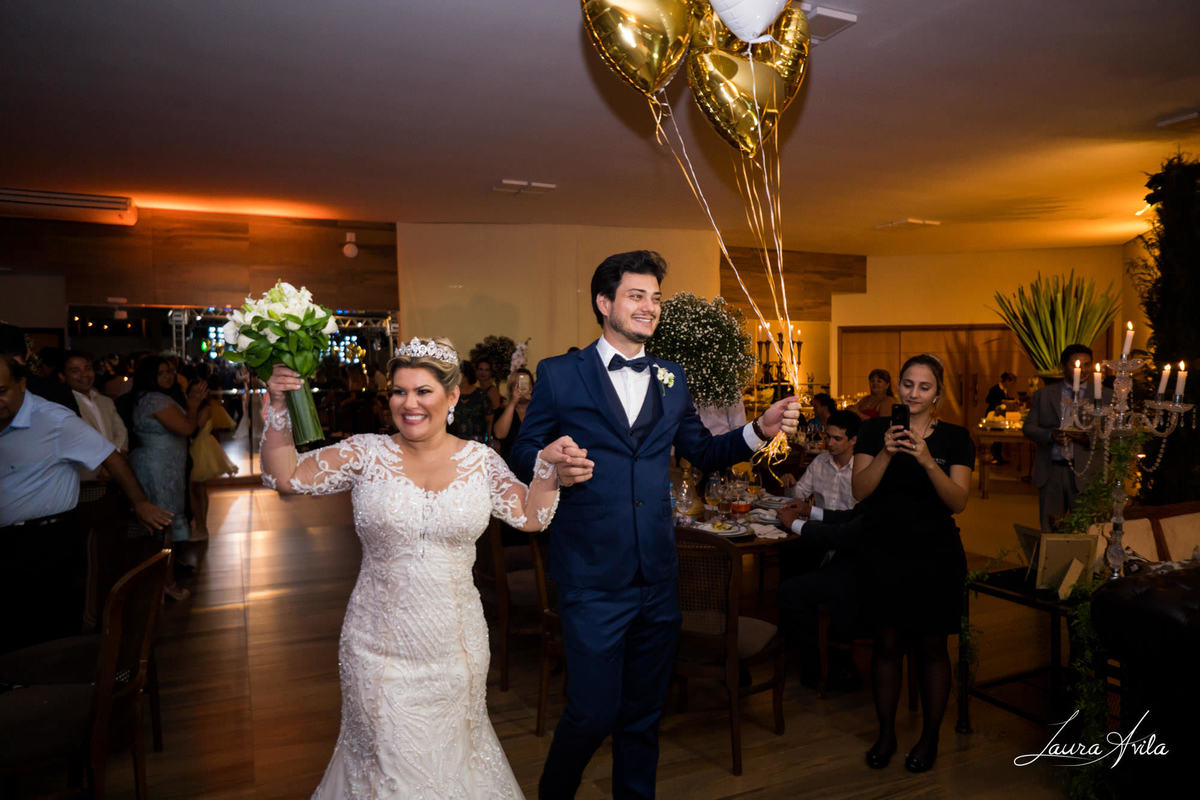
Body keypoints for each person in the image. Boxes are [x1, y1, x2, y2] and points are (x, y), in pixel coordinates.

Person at [511, 250, 800, 799]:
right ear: (604, 303)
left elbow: (703, 450)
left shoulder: (673, 376)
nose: (649, 307)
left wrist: (758, 431)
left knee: (644, 717)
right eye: (636, 296)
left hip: (658, 578)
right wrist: (548, 461)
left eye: (655, 298)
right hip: (591, 577)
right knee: (592, 713)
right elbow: (521, 449)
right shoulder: (560, 373)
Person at [262, 337, 576, 799]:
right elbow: (284, 477)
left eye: (423, 391)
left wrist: (547, 469)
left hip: (456, 648)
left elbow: (532, 517)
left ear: (452, 397)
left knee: (453, 761)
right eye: (399, 391)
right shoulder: (365, 453)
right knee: (386, 770)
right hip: (377, 646)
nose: (408, 403)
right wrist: (277, 404)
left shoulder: (481, 461)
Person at [851, 353, 974, 774]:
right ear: (898, 386)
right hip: (882, 551)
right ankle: (886, 734)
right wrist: (887, 454)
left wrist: (925, 459)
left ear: (937, 394)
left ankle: (930, 738)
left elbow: (958, 501)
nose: (914, 393)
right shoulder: (873, 431)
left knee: (932, 648)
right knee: (886, 645)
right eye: (908, 384)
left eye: (924, 387)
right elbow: (860, 491)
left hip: (935, 555)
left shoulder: (955, 438)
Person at [0, 353, 171, 653]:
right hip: (7, 541)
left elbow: (111, 456)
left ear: (22, 384)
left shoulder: (54, 419)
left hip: (47, 539)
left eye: (1, 391)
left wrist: (141, 503)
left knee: (48, 635)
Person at [775, 410, 862, 690]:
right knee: (790, 560)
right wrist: (790, 487)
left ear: (853, 440)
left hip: (848, 544)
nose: (829, 443)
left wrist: (804, 519)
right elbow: (798, 497)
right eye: (828, 437)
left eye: (837, 439)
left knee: (803, 585)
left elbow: (850, 523)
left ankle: (828, 656)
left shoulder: (863, 472)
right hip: (821, 536)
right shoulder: (820, 462)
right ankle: (798, 641)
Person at [124, 356, 209, 589]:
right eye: (161, 373)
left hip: (165, 464)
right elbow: (187, 428)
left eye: (170, 371)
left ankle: (164, 578)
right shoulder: (155, 400)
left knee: (164, 523)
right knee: (162, 523)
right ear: (149, 376)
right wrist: (193, 405)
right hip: (158, 467)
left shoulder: (153, 397)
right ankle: (164, 582)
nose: (168, 376)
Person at [1023, 345, 1106, 531]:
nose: (1083, 370)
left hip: (1086, 472)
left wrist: (1089, 438)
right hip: (1052, 471)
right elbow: (1028, 427)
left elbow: (1113, 434)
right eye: (1076, 365)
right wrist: (1050, 435)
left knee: (1088, 530)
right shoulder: (1044, 395)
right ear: (1063, 366)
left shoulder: (1103, 394)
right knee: (1051, 530)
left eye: (1087, 364)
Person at [493, 367, 533, 463]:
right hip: (509, 464)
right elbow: (499, 434)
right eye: (517, 384)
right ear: (511, 388)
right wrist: (513, 402)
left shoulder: (539, 412)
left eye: (526, 383)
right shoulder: (502, 411)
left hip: (535, 465)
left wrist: (535, 401)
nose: (522, 387)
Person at [449, 360, 491, 443]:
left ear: (466, 375)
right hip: (454, 441)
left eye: (457, 373)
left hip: (476, 441)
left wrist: (488, 439)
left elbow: (489, 419)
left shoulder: (480, 394)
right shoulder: (451, 394)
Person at [985, 371, 1018, 464]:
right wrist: (1001, 401)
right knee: (995, 437)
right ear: (1007, 381)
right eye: (1010, 382)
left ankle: (998, 457)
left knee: (998, 439)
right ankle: (995, 457)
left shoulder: (1004, 390)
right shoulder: (995, 389)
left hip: (1000, 416)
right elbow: (988, 400)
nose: (1011, 385)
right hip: (993, 415)